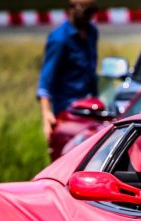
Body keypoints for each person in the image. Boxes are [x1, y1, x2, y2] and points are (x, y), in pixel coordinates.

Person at [37, 0, 99, 143]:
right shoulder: (60, 39)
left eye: (92, 10)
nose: (89, 16)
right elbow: (45, 80)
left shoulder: (92, 33)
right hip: (68, 112)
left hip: (90, 110)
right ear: (72, 8)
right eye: (85, 10)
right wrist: (47, 114)